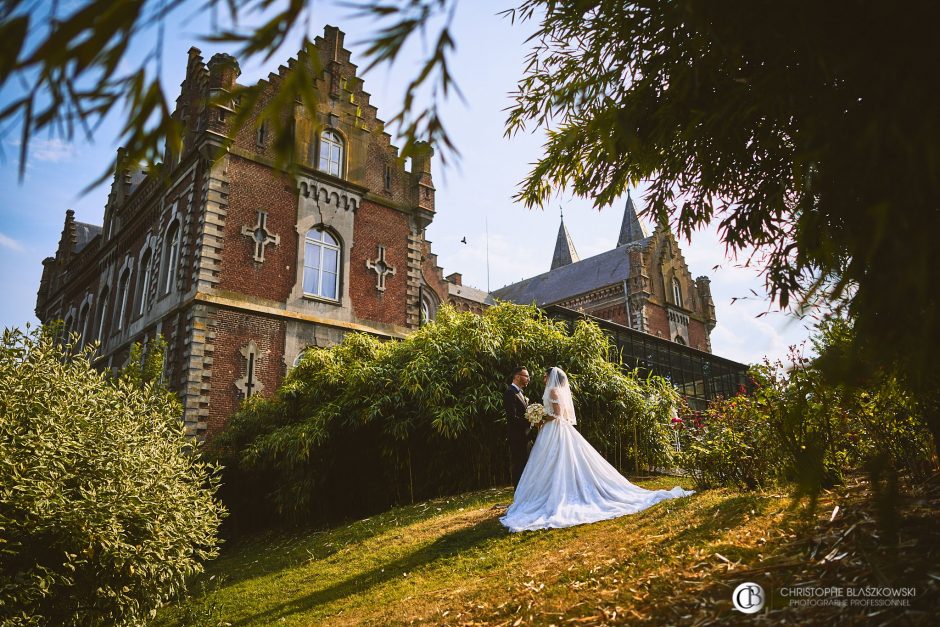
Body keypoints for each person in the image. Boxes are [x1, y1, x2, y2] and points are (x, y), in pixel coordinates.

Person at [500, 367, 693, 532]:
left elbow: (559, 415)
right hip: (548, 431)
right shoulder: (543, 391)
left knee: (558, 460)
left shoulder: (552, 392)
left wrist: (542, 417)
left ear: (551, 378)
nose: (541, 378)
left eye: (544, 376)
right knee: (551, 462)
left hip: (555, 429)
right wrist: (540, 418)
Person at [504, 366, 531, 488]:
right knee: (518, 465)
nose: (528, 379)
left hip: (524, 436)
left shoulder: (520, 393)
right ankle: (518, 493)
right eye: (526, 376)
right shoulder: (510, 392)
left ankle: (524, 492)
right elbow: (512, 417)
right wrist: (531, 422)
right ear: (517, 377)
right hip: (516, 437)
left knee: (525, 465)